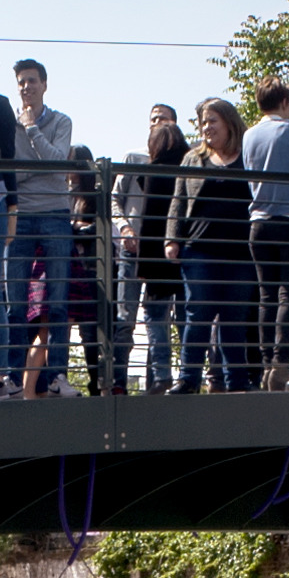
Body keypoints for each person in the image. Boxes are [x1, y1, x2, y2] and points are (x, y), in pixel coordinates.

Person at [6, 58, 83, 397]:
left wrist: (33, 131)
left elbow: (57, 162)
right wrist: (43, 167)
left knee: (58, 301)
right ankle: (10, 378)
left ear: (44, 85)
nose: (26, 87)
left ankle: (58, 378)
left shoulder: (61, 120)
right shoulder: (9, 127)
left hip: (54, 214)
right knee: (15, 303)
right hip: (21, 217)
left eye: (32, 80)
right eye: (21, 81)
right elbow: (15, 173)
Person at [240, 83, 289, 388]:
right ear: (285, 102)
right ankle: (280, 361)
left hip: (258, 222)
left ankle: (264, 363)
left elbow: (248, 175)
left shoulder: (248, 135)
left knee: (267, 295)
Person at [179, 99, 258, 390]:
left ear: (229, 122)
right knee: (198, 313)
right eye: (203, 122)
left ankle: (237, 382)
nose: (206, 127)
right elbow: (178, 201)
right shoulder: (193, 158)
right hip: (200, 249)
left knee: (234, 319)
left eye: (212, 121)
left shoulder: (248, 156)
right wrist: (171, 240)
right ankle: (188, 379)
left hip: (240, 252)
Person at [124, 113, 189, 397]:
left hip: (156, 256)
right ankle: (189, 373)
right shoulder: (190, 170)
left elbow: (149, 220)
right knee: (187, 316)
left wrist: (144, 264)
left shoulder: (152, 172)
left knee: (154, 314)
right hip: (185, 253)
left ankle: (162, 375)